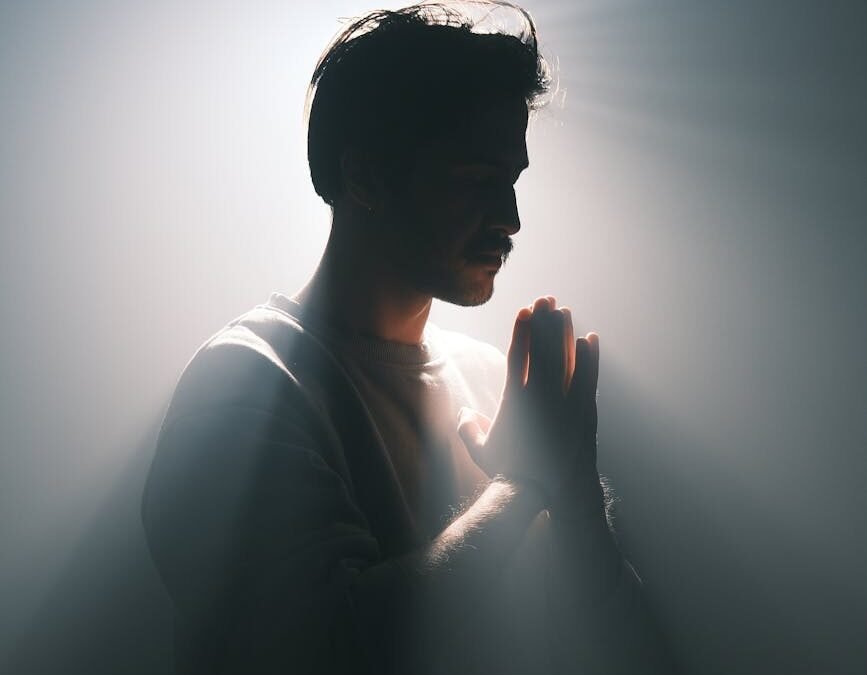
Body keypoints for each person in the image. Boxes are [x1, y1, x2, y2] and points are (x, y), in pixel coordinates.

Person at [142, 2, 676, 673]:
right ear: (365, 176)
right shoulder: (246, 382)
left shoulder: (488, 379)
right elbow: (323, 654)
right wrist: (522, 482)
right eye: (480, 180)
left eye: (511, 181)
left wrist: (575, 508)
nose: (510, 218)